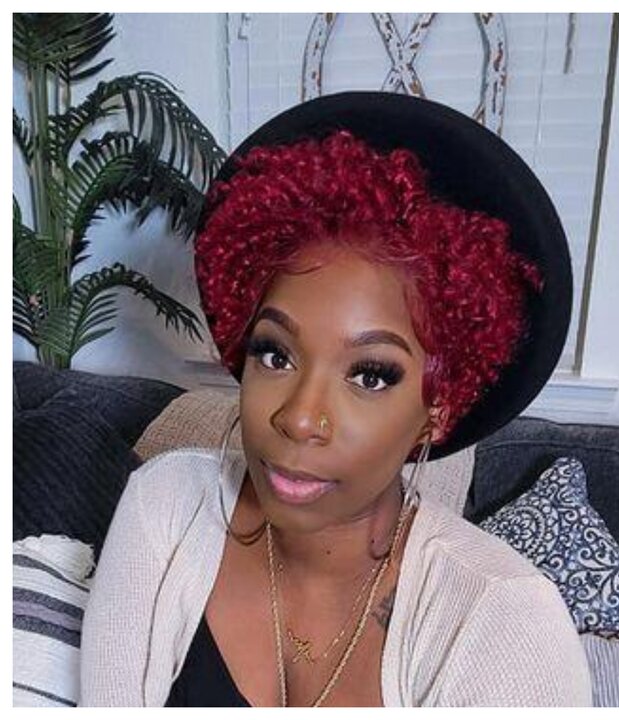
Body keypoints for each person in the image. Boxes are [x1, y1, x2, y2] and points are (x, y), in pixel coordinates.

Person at [79, 92, 591, 707]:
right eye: (275, 354)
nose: (298, 417)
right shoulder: (163, 510)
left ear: (437, 410)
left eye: (370, 375)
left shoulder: (505, 623)